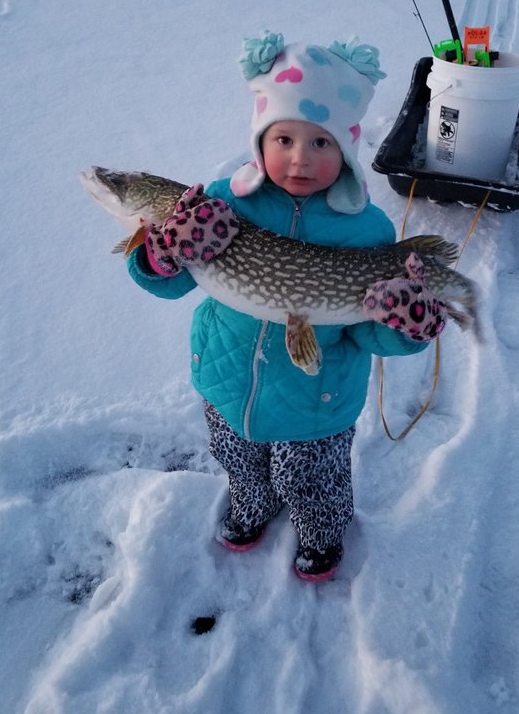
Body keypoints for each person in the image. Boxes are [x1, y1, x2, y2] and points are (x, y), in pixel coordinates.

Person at [127, 32, 447, 581]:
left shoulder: (367, 231)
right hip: (227, 383)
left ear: (345, 151)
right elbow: (171, 284)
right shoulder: (221, 205)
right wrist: (161, 254)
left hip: (317, 403)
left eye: (321, 144)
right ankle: (252, 502)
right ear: (261, 141)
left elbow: (368, 329)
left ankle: (322, 533)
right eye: (284, 139)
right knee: (240, 462)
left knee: (313, 478)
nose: (300, 158)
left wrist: (406, 327)